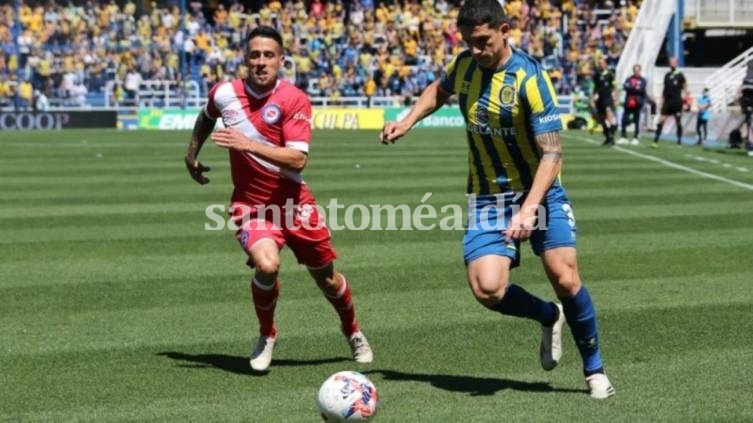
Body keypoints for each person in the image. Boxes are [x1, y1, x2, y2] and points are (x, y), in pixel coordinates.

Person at [379, 0, 614, 399]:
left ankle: (594, 370)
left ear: (505, 31)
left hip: (540, 194)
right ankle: (546, 315)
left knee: (565, 277)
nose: (476, 50)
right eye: (469, 42)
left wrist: (528, 210)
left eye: (483, 41)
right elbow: (440, 88)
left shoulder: (531, 79)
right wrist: (406, 121)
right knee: (487, 289)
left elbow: (553, 154)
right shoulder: (465, 65)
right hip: (488, 197)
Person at [184, 26, 373, 373]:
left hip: (295, 206)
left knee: (328, 279)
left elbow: (298, 160)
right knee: (267, 265)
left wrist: (249, 144)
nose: (261, 62)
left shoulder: (293, 99)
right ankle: (266, 335)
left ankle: (353, 330)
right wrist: (191, 154)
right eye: (254, 55)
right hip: (251, 206)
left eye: (268, 55)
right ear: (245, 58)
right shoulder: (225, 92)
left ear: (281, 60)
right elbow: (206, 116)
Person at [652, 57, 689, 147]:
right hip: (668, 102)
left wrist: (686, 102)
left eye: (673, 62)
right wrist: (662, 100)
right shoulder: (667, 75)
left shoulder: (680, 75)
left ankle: (679, 141)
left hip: (677, 102)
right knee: (661, 120)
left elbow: (686, 88)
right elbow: (664, 89)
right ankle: (656, 140)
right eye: (670, 63)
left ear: (676, 63)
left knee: (678, 121)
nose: (672, 64)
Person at [618, 64, 650, 146]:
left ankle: (636, 137)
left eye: (637, 70)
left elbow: (641, 89)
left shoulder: (643, 80)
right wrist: (634, 88)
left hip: (638, 102)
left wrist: (632, 88)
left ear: (640, 70)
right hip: (628, 101)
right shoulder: (629, 79)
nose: (636, 72)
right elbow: (625, 86)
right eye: (635, 70)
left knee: (637, 120)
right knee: (624, 119)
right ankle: (623, 137)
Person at [591, 57, 618, 146]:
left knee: (609, 116)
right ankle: (607, 137)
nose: (600, 65)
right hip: (600, 100)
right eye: (599, 63)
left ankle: (612, 137)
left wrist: (616, 98)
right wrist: (593, 99)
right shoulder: (597, 75)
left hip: (608, 98)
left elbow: (615, 87)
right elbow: (595, 88)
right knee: (601, 119)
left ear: (606, 64)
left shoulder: (610, 74)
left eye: (602, 63)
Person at [739, 62, 753, 147]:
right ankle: (749, 141)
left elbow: (741, 92)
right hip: (748, 100)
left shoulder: (745, 78)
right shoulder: (746, 79)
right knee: (749, 121)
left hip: (746, 100)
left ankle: (748, 140)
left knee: (748, 121)